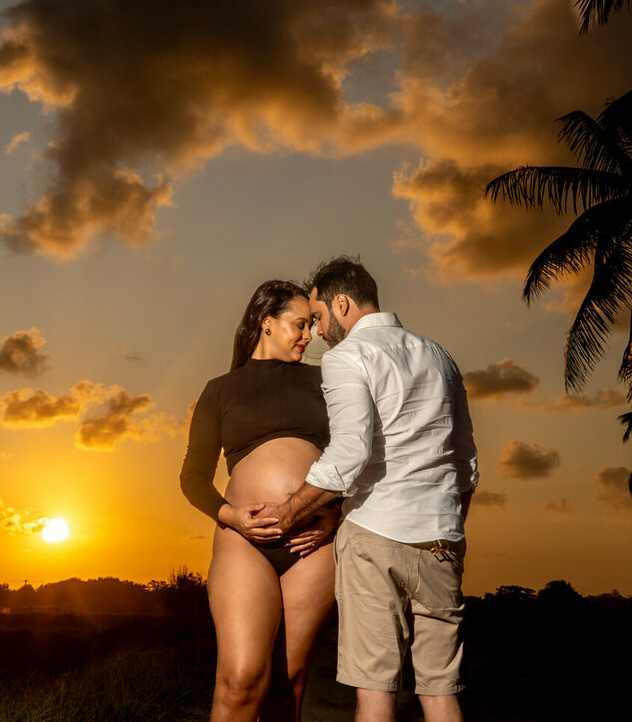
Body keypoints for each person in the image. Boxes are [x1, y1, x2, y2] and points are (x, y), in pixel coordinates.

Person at [260, 257, 478, 722]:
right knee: (440, 693)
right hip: (443, 543)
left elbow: (347, 458)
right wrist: (447, 523)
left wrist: (286, 513)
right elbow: (466, 466)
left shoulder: (347, 356)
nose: (317, 331)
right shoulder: (440, 356)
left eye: (318, 316)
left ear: (342, 302)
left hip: (375, 538)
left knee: (375, 691)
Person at [180, 279, 342, 722]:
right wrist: (231, 516)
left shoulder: (326, 380)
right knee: (240, 679)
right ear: (266, 323)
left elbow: (358, 452)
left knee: (288, 684)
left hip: (312, 545)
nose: (308, 335)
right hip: (243, 542)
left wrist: (335, 514)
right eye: (299, 324)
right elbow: (193, 477)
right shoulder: (220, 390)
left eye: (311, 325)